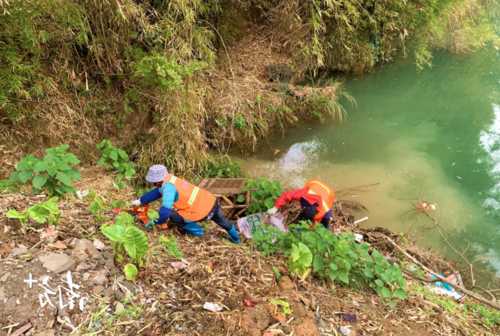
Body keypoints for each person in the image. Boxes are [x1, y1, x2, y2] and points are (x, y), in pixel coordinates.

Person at [131, 164, 240, 243]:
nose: (153, 184)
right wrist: (140, 201)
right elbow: (156, 193)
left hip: (200, 210)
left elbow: (165, 212)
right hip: (210, 201)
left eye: (153, 182)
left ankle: (199, 233)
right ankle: (236, 240)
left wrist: (156, 222)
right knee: (223, 222)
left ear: (157, 180)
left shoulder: (168, 188)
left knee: (174, 217)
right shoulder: (170, 179)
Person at [268, 180, 335, 228]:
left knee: (326, 221)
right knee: (304, 213)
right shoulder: (304, 193)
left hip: (329, 194)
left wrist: (310, 228)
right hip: (314, 183)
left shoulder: (324, 210)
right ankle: (303, 216)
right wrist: (275, 207)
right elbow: (286, 195)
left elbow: (315, 223)